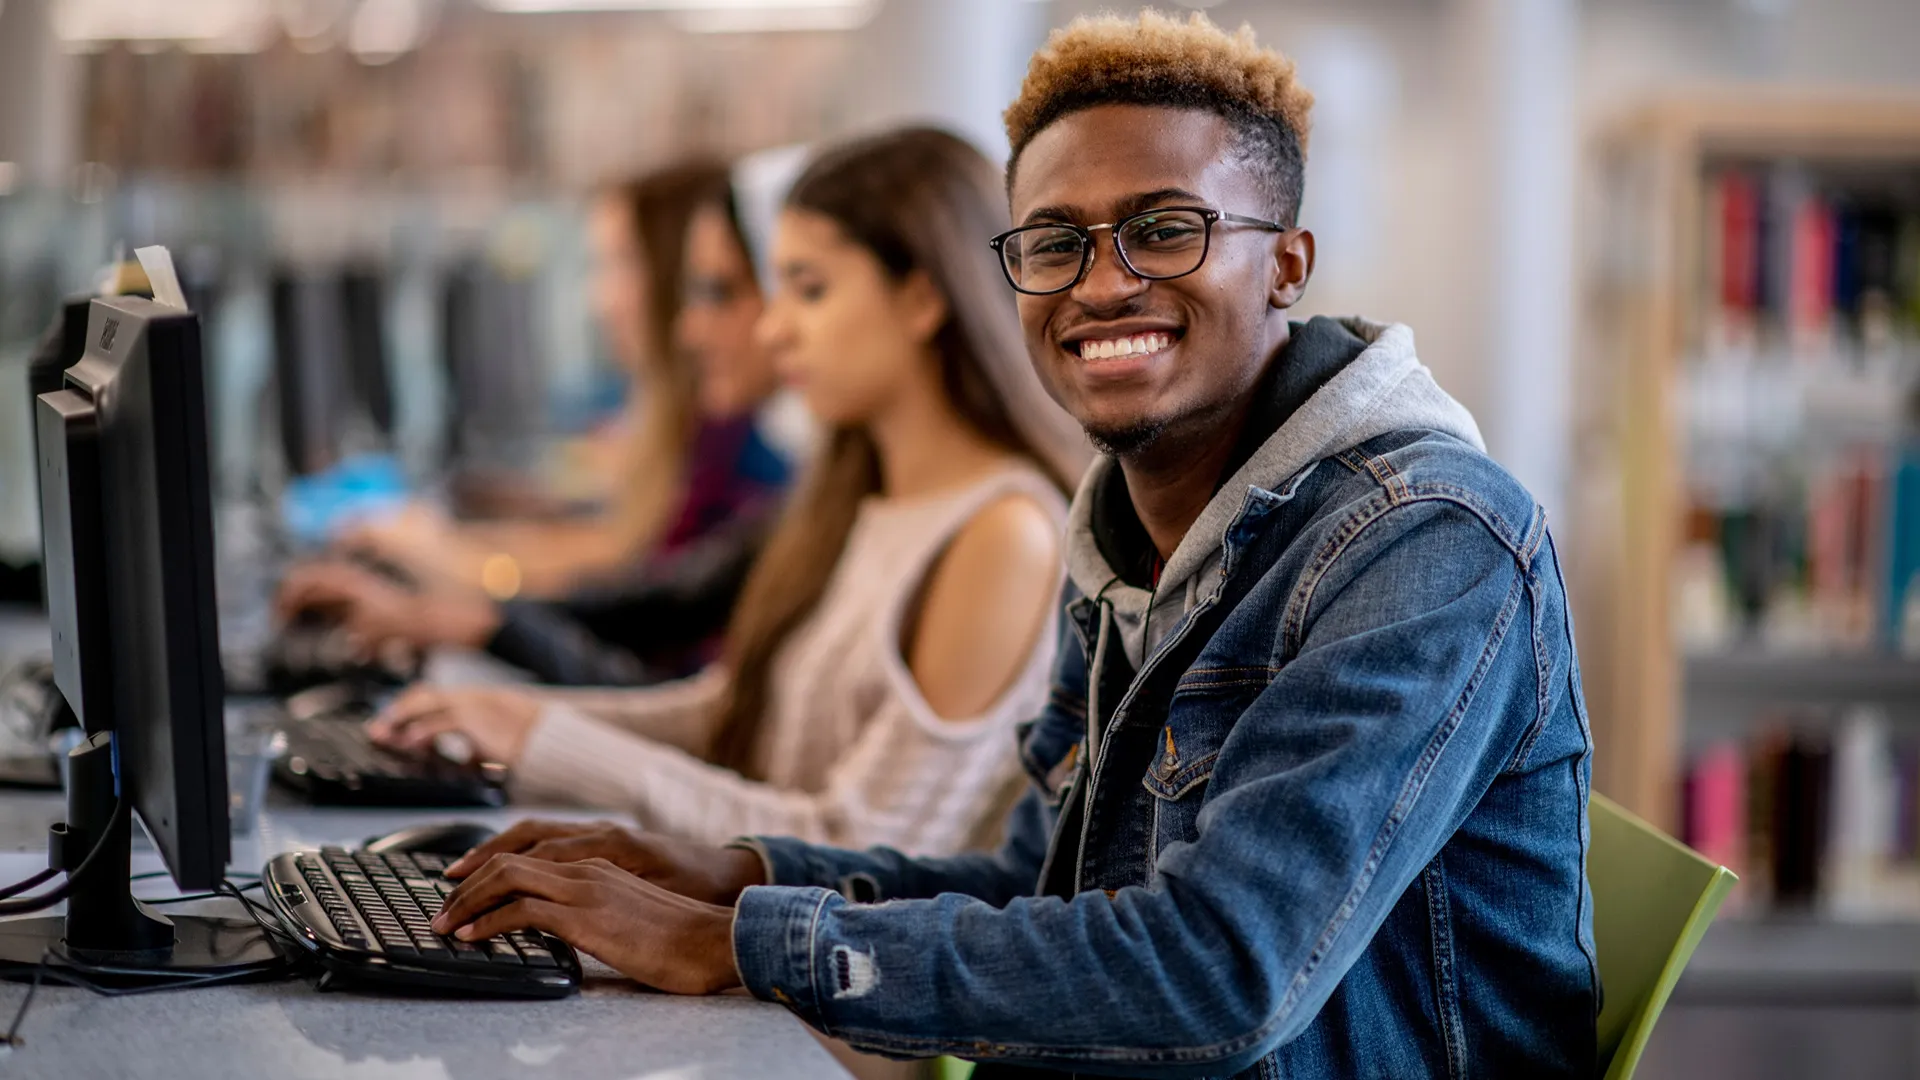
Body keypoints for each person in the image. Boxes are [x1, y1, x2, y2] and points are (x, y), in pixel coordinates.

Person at [424, 12, 1599, 1079]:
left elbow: (1218, 973)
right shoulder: (1130, 536)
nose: (1102, 283)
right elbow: (1040, 889)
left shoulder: (1425, 544)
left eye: (1165, 231)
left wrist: (741, 943)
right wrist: (734, 873)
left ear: (1287, 263)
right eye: (1055, 243)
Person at [366, 127, 1090, 856]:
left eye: (809, 289)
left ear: (923, 297)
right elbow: (733, 713)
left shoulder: (1003, 532)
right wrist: (516, 721)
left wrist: (544, 741)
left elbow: (864, 849)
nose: (773, 330)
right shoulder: (861, 500)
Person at [278, 160, 797, 685]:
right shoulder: (728, 445)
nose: (598, 298)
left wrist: (462, 577)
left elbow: (633, 602)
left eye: (617, 264)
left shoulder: (742, 451)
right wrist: (460, 590)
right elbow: (636, 589)